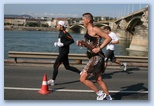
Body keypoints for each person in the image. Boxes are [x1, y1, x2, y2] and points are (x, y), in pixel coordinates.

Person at [76, 13, 112, 100]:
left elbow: (108, 38)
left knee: (82, 78)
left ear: (88, 20)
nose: (82, 21)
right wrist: (82, 43)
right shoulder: (88, 30)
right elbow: (90, 45)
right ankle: (108, 97)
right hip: (94, 57)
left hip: (96, 58)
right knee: (99, 79)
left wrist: (100, 48)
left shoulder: (95, 29)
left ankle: (99, 93)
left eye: (83, 19)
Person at [48, 21, 80, 86]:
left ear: (61, 26)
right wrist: (57, 43)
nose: (57, 26)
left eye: (58, 25)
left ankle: (52, 81)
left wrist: (63, 44)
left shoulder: (65, 33)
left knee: (55, 65)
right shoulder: (60, 33)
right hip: (62, 52)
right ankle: (81, 73)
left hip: (63, 53)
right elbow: (61, 41)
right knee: (67, 67)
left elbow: (72, 41)